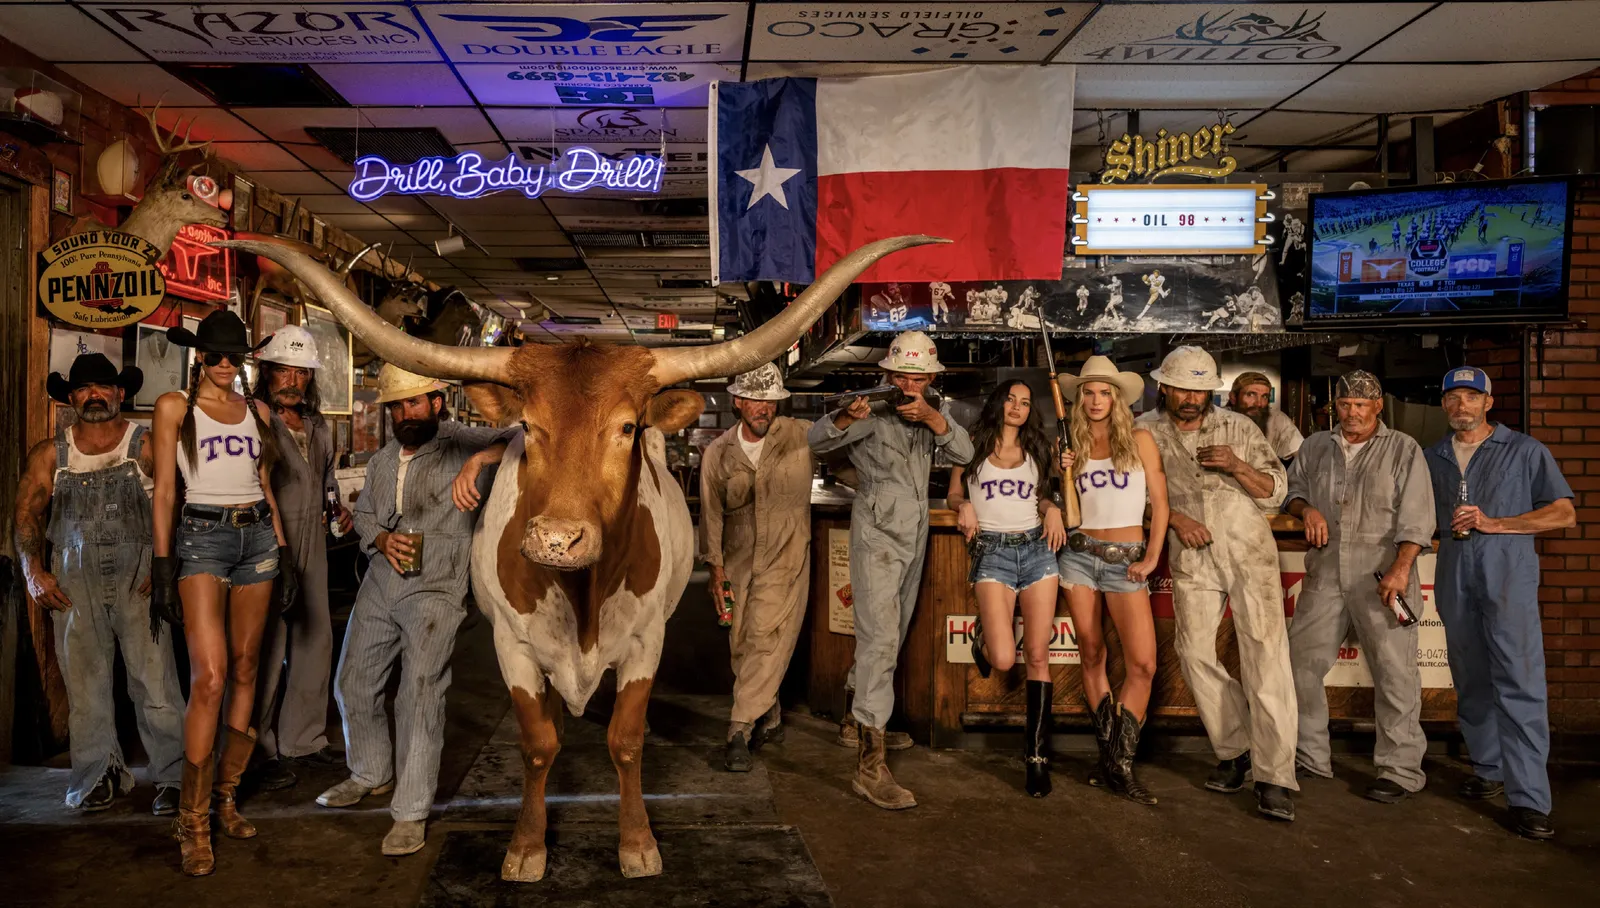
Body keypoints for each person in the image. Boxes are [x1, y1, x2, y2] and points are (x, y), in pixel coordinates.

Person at [317, 364, 510, 857]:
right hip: (382, 579)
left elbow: (524, 436)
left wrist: (477, 464)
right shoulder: (383, 462)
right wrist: (379, 536)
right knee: (353, 681)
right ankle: (370, 771)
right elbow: (363, 517)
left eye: (415, 403)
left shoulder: (463, 442)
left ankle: (410, 812)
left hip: (438, 586)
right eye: (397, 406)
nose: (406, 414)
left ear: (437, 403)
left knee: (419, 695)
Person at [150, 310, 294, 876]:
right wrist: (164, 566)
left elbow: (264, 485)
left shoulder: (258, 412)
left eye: (236, 357)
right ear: (199, 356)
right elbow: (165, 491)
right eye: (215, 357)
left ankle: (226, 797)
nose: (226, 367)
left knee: (244, 666)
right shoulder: (174, 408)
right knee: (207, 676)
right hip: (202, 539)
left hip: (256, 535)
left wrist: (282, 548)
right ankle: (193, 818)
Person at [809, 330, 974, 810]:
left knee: (893, 631)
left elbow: (965, 454)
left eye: (919, 378)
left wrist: (933, 418)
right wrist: (843, 415)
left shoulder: (929, 411)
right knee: (879, 638)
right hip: (877, 536)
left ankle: (853, 722)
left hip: (916, 532)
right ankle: (868, 764)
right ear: (887, 375)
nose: (910, 386)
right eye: (902, 376)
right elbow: (815, 440)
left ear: (930, 379)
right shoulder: (868, 409)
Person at [15, 354, 185, 815]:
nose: (94, 395)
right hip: (73, 583)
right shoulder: (51, 453)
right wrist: (33, 570)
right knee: (85, 685)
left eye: (103, 387)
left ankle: (173, 777)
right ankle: (97, 776)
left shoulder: (145, 444)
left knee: (156, 685)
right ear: (71, 398)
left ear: (120, 394)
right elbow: (27, 513)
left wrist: (166, 564)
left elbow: (178, 503)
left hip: (140, 579)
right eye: (83, 389)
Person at [1138, 346, 1298, 822]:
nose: (1191, 397)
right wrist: (1175, 520)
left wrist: (1236, 465)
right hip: (1192, 552)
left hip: (1248, 548)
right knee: (1193, 653)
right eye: (1182, 387)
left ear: (1212, 391)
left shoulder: (1240, 428)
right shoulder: (1143, 431)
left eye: (1200, 389)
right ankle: (1236, 749)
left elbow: (1276, 492)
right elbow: (1131, 497)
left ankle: (1274, 777)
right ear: (1163, 386)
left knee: (1266, 656)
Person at [1425, 366, 1575, 840]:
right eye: (1453, 398)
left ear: (1489, 402)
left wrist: (1498, 524)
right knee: (1470, 678)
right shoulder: (1433, 457)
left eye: (1471, 397)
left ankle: (1529, 798)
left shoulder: (1525, 450)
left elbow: (1564, 514)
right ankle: (1488, 768)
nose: (1461, 405)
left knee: (1519, 681)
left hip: (1507, 574)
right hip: (1454, 574)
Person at [1286, 371, 1435, 804]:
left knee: (1396, 675)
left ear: (1377, 408)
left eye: (1360, 405)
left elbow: (1418, 518)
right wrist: (1306, 508)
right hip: (1326, 574)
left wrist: (1402, 568)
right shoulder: (1316, 446)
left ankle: (1400, 770)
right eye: (1345, 404)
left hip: (1383, 575)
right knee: (1300, 665)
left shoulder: (1403, 449)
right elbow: (1291, 490)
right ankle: (1310, 755)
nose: (1351, 413)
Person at [1057, 356, 1167, 806]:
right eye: (1088, 391)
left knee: (1143, 665)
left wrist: (1153, 557)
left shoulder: (1140, 439)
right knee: (1092, 653)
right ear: (1079, 397)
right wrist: (1058, 469)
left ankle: (1115, 763)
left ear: (1117, 398)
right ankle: (1115, 765)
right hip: (1078, 558)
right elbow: (1060, 508)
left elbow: (1160, 505)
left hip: (1127, 563)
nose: (1096, 400)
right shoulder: (1068, 444)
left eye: (1104, 392)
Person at [947, 380, 1067, 796]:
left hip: (1037, 551)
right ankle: (984, 634)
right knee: (1002, 658)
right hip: (993, 552)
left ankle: (1036, 758)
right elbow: (951, 494)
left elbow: (1047, 496)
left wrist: (1052, 509)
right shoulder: (971, 444)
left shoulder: (1039, 448)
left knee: (1037, 654)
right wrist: (963, 504)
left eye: (1025, 402)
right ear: (998, 402)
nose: (1017, 407)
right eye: (1010, 400)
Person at [249, 326, 353, 792]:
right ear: (265, 372)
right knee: (267, 646)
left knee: (315, 641)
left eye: (300, 372)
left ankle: (303, 740)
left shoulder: (317, 427)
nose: (292, 380)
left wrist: (340, 510)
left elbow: (327, 483)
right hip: (268, 542)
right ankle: (257, 746)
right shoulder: (253, 419)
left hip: (315, 539)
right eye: (282, 370)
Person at [700, 363, 816, 772]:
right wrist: (715, 569)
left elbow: (839, 439)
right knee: (743, 642)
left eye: (769, 400)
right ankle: (769, 712)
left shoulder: (801, 435)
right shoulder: (718, 453)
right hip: (738, 557)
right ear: (738, 402)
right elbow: (712, 515)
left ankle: (738, 729)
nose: (762, 408)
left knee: (766, 635)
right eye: (753, 399)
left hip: (786, 554)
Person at [1228, 372, 1303, 462]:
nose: (1259, 403)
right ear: (1233, 397)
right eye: (1251, 394)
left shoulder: (1277, 419)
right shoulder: (1217, 420)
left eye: (1264, 396)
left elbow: (1303, 456)